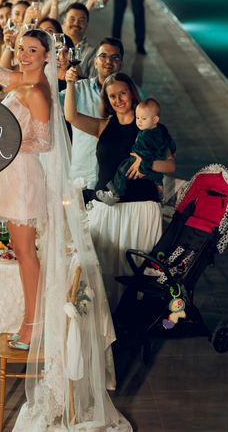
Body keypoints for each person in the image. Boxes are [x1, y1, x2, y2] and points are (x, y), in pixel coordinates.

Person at [0, 15, 51, 350]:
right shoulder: (21, 82)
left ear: (47, 55)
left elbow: (45, 143)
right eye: (21, 48)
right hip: (10, 174)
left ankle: (34, 325)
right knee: (21, 250)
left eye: (33, 50)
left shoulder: (38, 92)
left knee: (26, 252)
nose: (24, 54)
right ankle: (31, 321)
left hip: (23, 177)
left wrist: (7, 146)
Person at [64, 71, 175, 310]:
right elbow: (70, 116)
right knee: (101, 269)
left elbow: (170, 165)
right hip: (106, 210)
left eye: (122, 93)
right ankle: (106, 324)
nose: (118, 100)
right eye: (112, 96)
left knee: (135, 270)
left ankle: (132, 322)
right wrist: (70, 83)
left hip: (141, 209)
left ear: (132, 94)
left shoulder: (151, 129)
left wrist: (146, 165)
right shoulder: (103, 126)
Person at [59, 38, 140, 193]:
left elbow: (149, 131)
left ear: (121, 64)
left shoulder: (137, 95)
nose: (108, 61)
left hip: (121, 182)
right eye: (103, 56)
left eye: (114, 57)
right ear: (95, 62)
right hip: (82, 177)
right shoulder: (77, 89)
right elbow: (51, 107)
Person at [98, 98, 176, 205]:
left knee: (122, 169)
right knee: (158, 180)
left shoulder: (144, 136)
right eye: (137, 117)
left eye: (143, 118)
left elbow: (146, 156)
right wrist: (173, 151)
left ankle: (114, 194)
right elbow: (169, 140)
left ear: (155, 119)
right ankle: (160, 197)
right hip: (157, 172)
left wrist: (142, 170)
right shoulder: (162, 129)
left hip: (142, 164)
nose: (139, 121)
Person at [61, 3, 96, 77]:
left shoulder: (92, 53)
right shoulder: (56, 47)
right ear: (64, 21)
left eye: (81, 20)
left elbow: (93, 85)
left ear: (87, 24)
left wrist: (79, 77)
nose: (76, 23)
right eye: (72, 19)